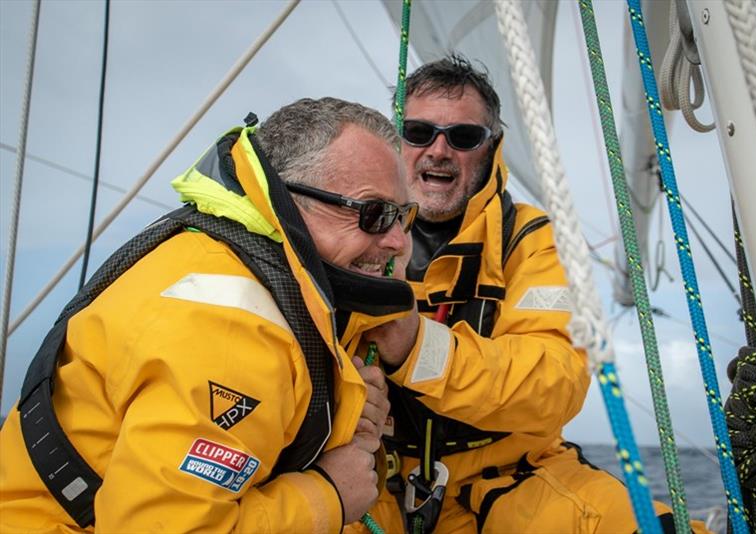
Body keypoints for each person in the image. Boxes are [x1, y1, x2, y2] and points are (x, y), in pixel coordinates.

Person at [0, 97, 421, 532]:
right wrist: (328, 496)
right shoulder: (232, 329)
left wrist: (346, 402)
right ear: (292, 199)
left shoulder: (230, 259)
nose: (397, 242)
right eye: (374, 214)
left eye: (403, 217)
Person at [351, 55, 708, 533]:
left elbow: (554, 382)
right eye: (419, 132)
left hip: (511, 482)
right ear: (397, 141)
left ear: (491, 146)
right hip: (371, 485)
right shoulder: (349, 228)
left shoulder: (536, 242)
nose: (438, 150)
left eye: (463, 137)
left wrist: (418, 348)